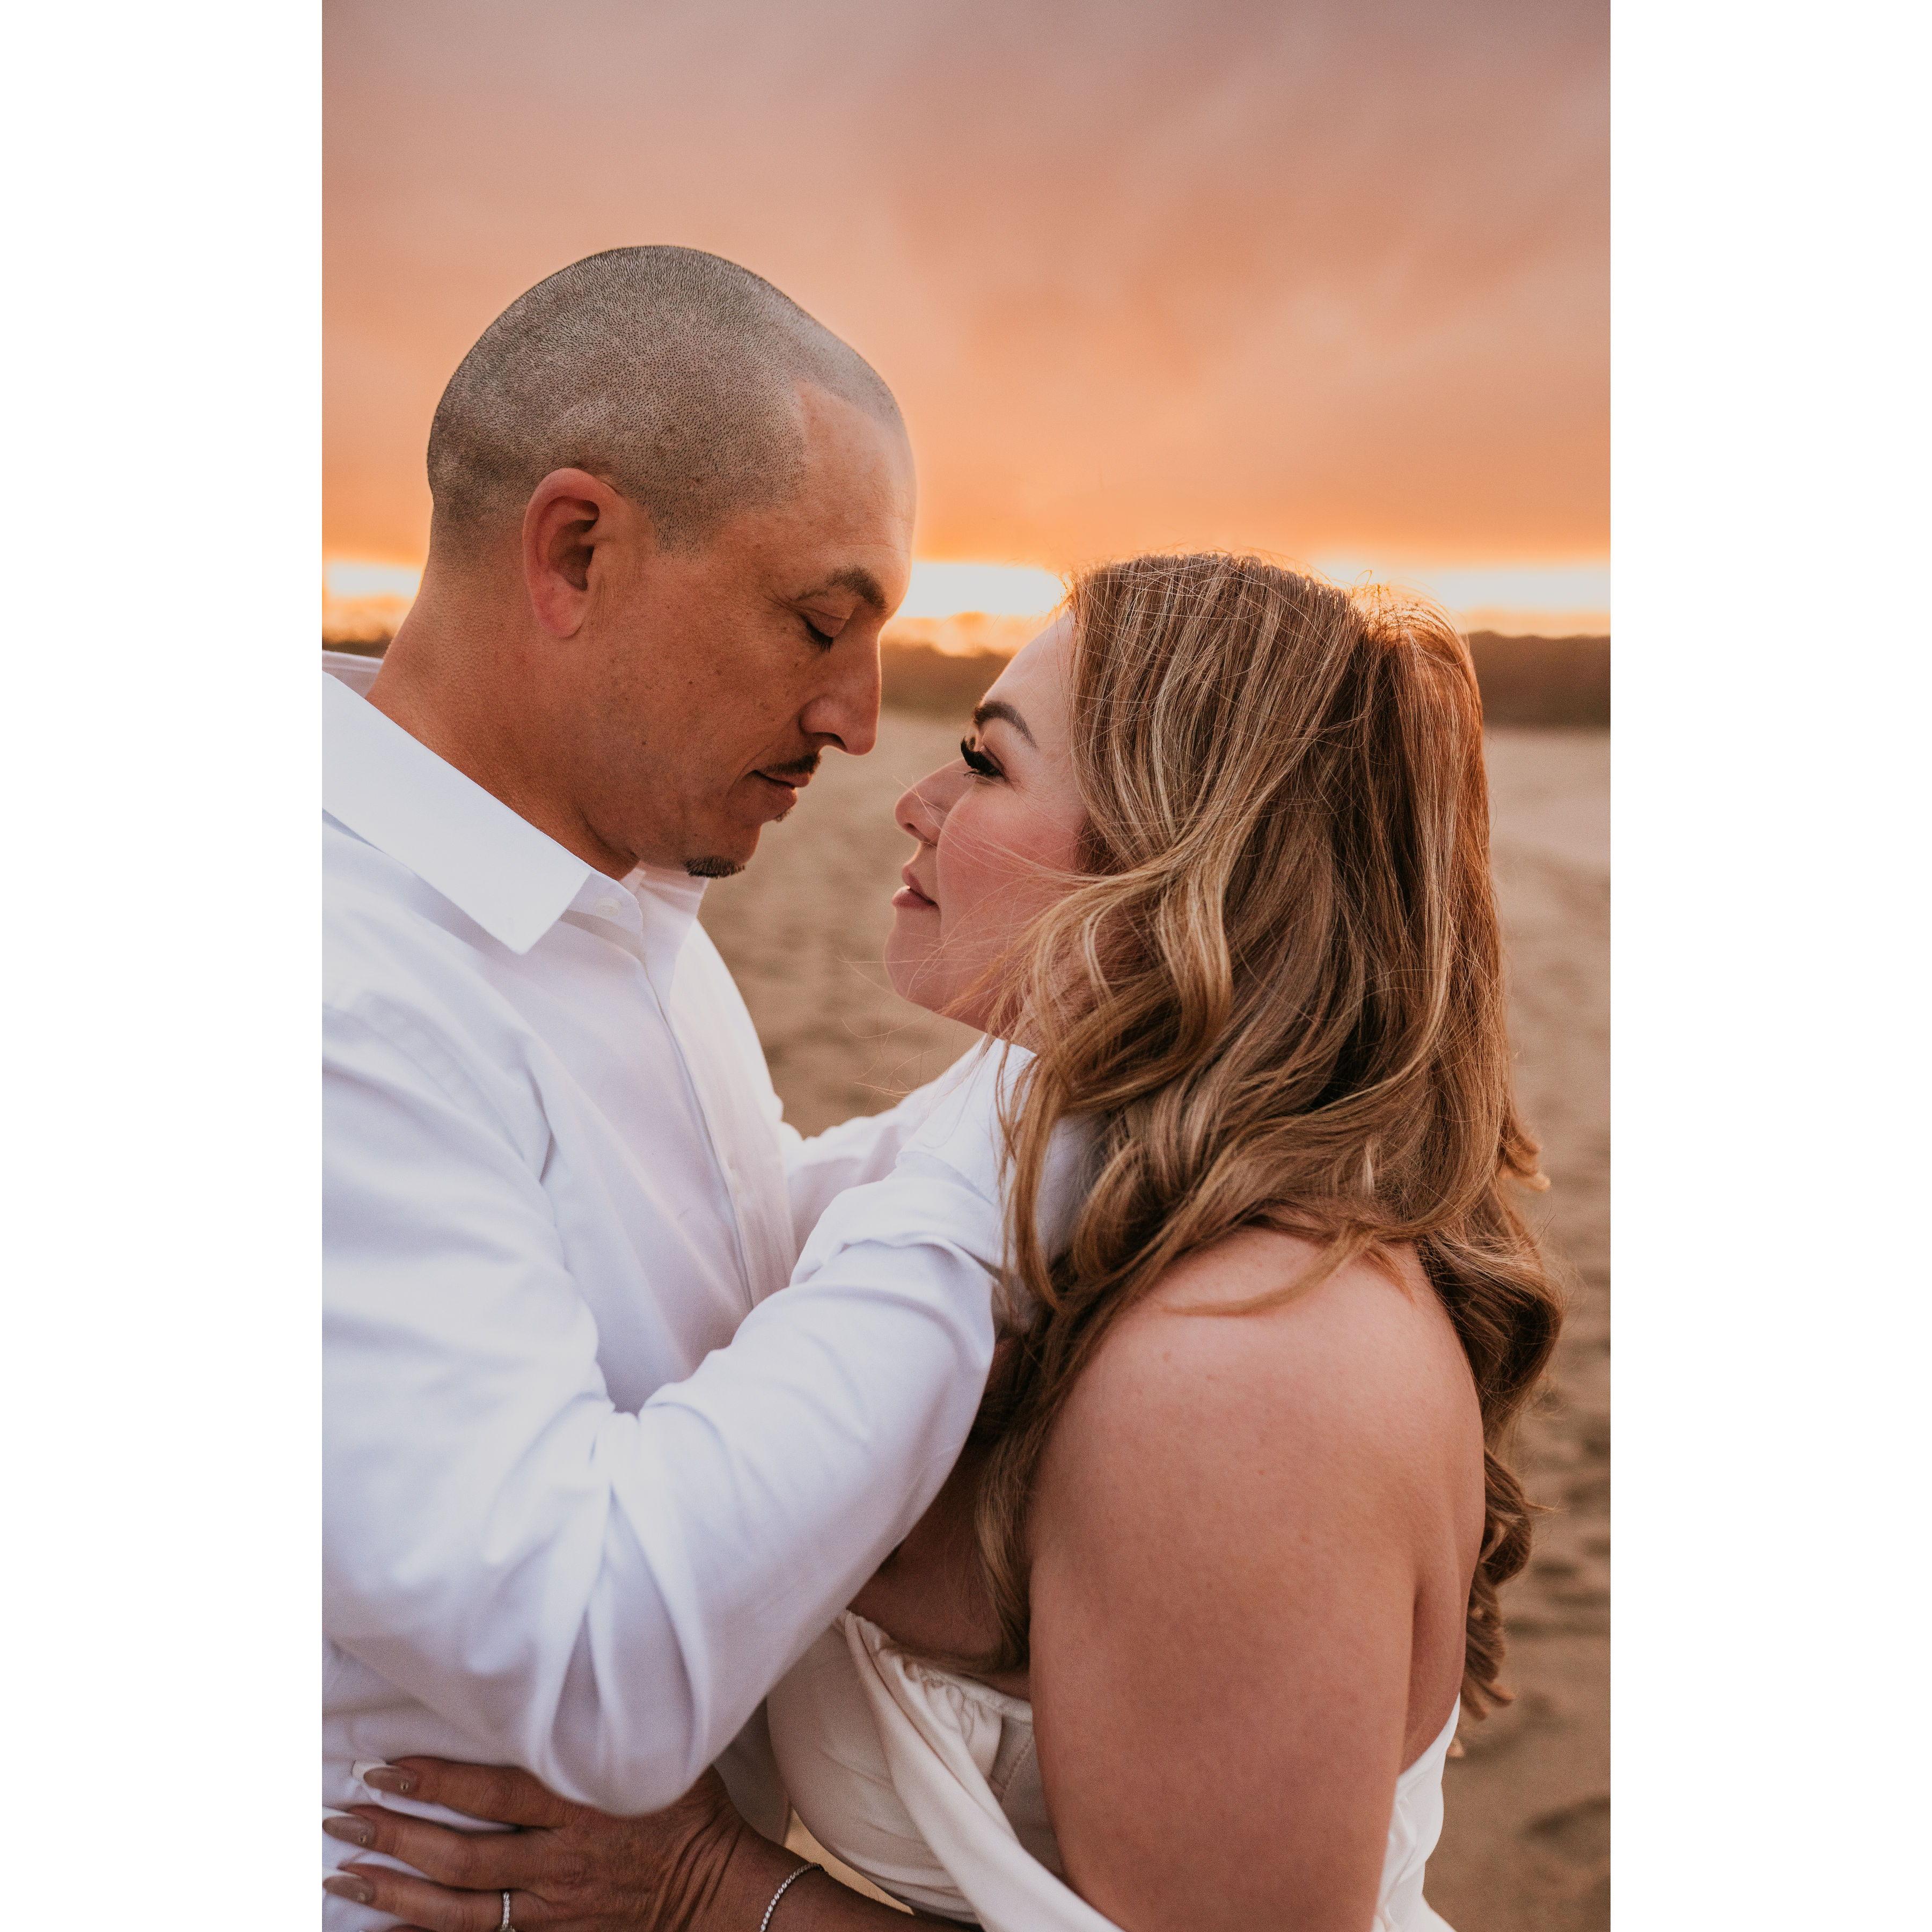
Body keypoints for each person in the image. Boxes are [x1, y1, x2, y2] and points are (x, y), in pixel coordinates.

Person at [319, 554, 1563, 1931]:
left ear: (1172, 870)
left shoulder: (1246, 1369)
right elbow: (736, 1241)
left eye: (984, 762)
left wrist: (703, 1889)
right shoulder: (1037, 1159)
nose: (914, 797)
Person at [320, 246, 1091, 1928]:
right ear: (576, 553)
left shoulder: (610, 900)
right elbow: (593, 1654)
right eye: (820, 623)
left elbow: (715, 1269)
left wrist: (1066, 1103)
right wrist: (999, 1168)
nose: (858, 718)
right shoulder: (333, 978)